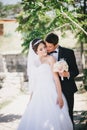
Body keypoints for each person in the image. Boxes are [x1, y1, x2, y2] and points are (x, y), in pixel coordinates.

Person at [17, 38, 73, 130]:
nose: (44, 50)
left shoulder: (51, 59)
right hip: (38, 94)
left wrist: (59, 96)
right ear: (36, 52)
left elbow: (56, 79)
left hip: (51, 92)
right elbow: (34, 83)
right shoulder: (33, 63)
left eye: (44, 47)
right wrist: (30, 100)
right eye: (41, 49)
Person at [45, 33, 79, 124]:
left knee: (68, 113)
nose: (47, 49)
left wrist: (66, 73)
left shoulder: (69, 52)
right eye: (46, 45)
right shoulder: (44, 55)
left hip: (67, 88)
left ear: (56, 44)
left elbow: (75, 71)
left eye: (50, 46)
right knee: (52, 115)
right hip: (51, 89)